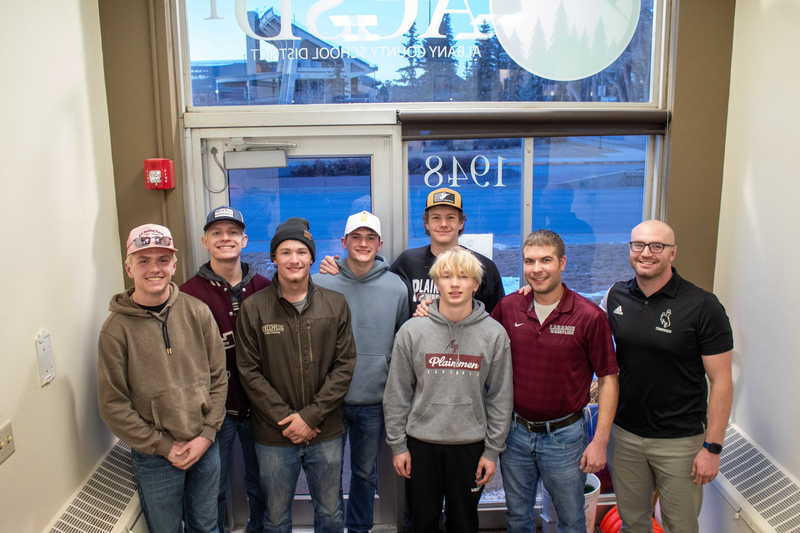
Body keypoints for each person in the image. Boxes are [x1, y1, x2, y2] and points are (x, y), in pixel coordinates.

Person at [602, 220, 733, 533]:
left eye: (657, 246)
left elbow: (722, 382)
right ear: (630, 250)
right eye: (639, 245)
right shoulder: (617, 296)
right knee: (633, 522)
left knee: (681, 525)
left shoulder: (703, 306)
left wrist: (712, 448)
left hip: (680, 442)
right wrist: (534, 292)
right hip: (627, 436)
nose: (646, 253)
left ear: (672, 253)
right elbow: (583, 322)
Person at [97, 223, 227, 533]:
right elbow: (114, 405)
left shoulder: (197, 312)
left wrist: (206, 434)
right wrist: (163, 446)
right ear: (129, 267)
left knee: (207, 526)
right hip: (155, 455)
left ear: (174, 264)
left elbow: (219, 378)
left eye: (162, 260)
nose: (154, 269)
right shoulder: (115, 330)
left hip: (204, 445)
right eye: (143, 260)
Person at [491, 230, 619, 533]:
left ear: (562, 262)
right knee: (517, 517)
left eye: (546, 260)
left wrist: (599, 441)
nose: (537, 269)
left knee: (571, 520)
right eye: (530, 261)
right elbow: (477, 337)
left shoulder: (589, 317)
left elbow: (609, 379)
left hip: (565, 437)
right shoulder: (509, 309)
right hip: (516, 434)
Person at [235, 217, 357, 533]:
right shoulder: (254, 308)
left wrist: (310, 417)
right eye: (285, 252)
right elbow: (249, 370)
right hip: (274, 434)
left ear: (312, 258)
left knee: (331, 515)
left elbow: (344, 366)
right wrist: (288, 419)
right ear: (274, 258)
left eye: (301, 252)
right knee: (275, 518)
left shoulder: (335, 304)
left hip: (325, 430)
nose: (294, 259)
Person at [383, 247, 513, 533]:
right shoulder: (412, 331)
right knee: (421, 522)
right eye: (447, 276)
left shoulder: (494, 334)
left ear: (476, 285)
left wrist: (491, 452)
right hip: (420, 445)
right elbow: (397, 394)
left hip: (470, 446)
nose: (455, 283)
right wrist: (398, 446)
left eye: (464, 277)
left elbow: (501, 398)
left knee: (464, 523)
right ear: (436, 282)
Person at [313, 211, 409, 533]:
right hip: (329, 399)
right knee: (327, 474)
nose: (363, 244)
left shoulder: (395, 287)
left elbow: (402, 342)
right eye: (356, 237)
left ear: (380, 243)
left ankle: (359, 529)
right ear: (344, 242)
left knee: (365, 474)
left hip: (372, 399)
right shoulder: (320, 283)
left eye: (370, 238)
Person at [181, 206, 270, 533]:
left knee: (261, 484)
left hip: (260, 408)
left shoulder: (264, 287)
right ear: (205, 241)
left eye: (232, 232)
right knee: (211, 490)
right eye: (216, 233)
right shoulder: (188, 295)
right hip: (214, 412)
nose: (225, 239)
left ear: (244, 240)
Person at [320, 188, 505, 315]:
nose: (443, 224)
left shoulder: (483, 266)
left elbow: (498, 316)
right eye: (436, 218)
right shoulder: (408, 261)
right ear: (426, 223)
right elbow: (374, 281)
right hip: (419, 352)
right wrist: (341, 268)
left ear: (461, 223)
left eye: (450, 218)